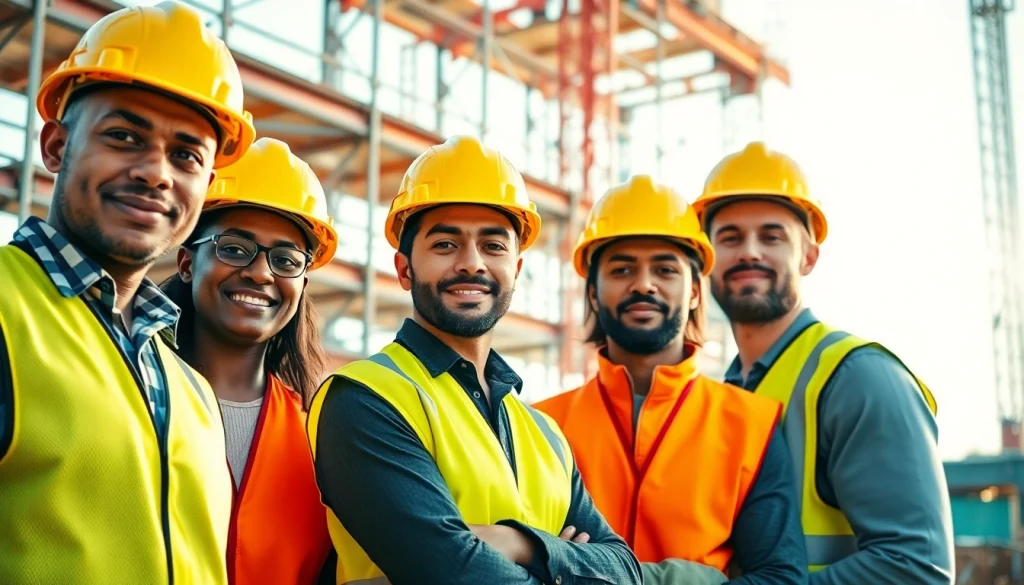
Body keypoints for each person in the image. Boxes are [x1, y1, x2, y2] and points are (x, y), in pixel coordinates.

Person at [306, 135, 642, 585]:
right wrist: (567, 562)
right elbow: (452, 572)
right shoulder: (363, 400)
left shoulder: (545, 433)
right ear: (404, 269)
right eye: (445, 244)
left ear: (516, 270)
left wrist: (521, 544)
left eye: (493, 246)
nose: (471, 263)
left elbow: (626, 570)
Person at [0, 2, 255, 583]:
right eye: (123, 136)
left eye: (186, 155)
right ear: (56, 146)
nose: (156, 173)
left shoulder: (189, 386)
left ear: (206, 187)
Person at [691, 141, 955, 584]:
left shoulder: (857, 377)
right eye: (730, 237)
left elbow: (916, 567)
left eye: (772, 237)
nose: (749, 252)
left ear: (809, 257)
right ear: (707, 261)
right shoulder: (727, 395)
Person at [534, 176, 808, 585]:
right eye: (622, 269)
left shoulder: (751, 425)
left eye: (664, 269)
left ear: (695, 292)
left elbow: (781, 578)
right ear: (592, 293)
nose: (643, 284)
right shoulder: (541, 425)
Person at [160, 137, 337, 584]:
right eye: (235, 249)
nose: (260, 273)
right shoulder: (133, 391)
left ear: (302, 285)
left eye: (286, 260)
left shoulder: (320, 435)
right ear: (187, 263)